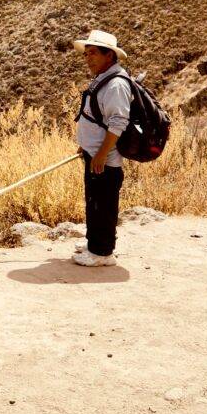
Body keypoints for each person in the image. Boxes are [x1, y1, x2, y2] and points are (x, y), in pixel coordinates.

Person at [72, 29, 133, 267]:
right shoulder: (104, 78)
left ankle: (102, 253)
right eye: (86, 54)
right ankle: (94, 244)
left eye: (94, 53)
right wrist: (87, 147)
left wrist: (101, 153)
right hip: (96, 155)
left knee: (103, 204)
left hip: (105, 159)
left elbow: (118, 122)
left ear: (110, 55)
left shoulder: (116, 84)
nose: (88, 58)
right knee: (94, 201)